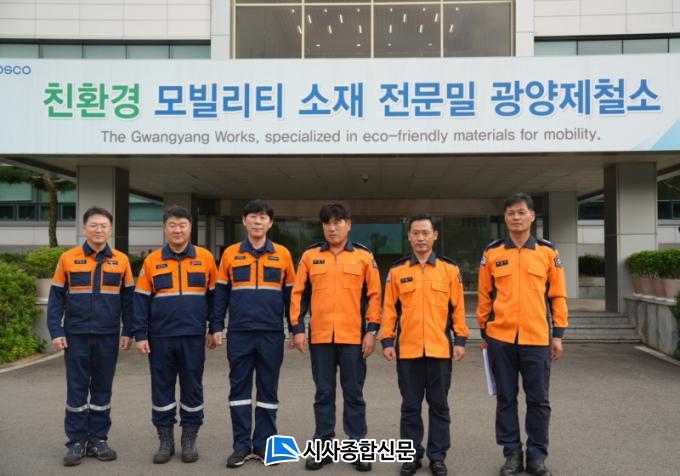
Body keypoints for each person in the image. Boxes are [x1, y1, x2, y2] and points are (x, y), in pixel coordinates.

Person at [477, 193, 568, 476]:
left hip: (537, 338)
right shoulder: (492, 253)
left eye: (521, 212)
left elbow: (558, 295)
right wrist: (484, 331)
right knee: (506, 398)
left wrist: (557, 334)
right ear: (505, 218)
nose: (516, 217)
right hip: (501, 339)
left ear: (532, 216)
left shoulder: (547, 252)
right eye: (510, 213)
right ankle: (512, 455)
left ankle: (537, 456)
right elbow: (484, 296)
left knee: (538, 400)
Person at [290, 201, 382, 472]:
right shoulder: (310, 257)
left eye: (338, 222)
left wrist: (372, 331)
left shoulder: (364, 257)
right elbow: (298, 294)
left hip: (354, 338)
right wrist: (297, 328)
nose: (332, 228)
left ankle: (358, 448)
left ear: (348, 225)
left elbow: (375, 296)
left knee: (354, 394)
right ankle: (323, 448)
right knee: (323, 393)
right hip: (320, 339)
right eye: (327, 223)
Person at [381, 213, 469, 476]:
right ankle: (411, 456)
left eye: (425, 233)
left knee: (439, 406)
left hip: (439, 350)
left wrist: (460, 340)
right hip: (408, 351)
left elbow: (458, 309)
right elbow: (389, 310)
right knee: (410, 406)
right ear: (409, 237)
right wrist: (387, 341)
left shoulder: (449, 270)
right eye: (416, 233)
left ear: (435, 235)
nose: (421, 238)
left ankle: (437, 457)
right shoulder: (397, 271)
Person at [47, 206, 135, 466]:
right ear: (84, 228)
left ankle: (98, 439)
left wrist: (128, 331)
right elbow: (56, 299)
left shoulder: (121, 260)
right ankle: (76, 442)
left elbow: (129, 302)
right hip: (76, 336)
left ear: (110, 229)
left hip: (108, 336)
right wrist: (56, 330)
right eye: (94, 225)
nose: (99, 230)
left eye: (104, 225)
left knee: (102, 389)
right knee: (76, 389)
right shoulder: (68, 258)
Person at [132, 205, 220, 464]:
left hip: (193, 335)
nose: (178, 230)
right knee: (162, 388)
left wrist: (214, 328)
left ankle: (189, 439)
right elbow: (140, 300)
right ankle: (165, 440)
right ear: (165, 229)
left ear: (190, 228)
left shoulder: (205, 258)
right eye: (172, 225)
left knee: (193, 387)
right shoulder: (152, 261)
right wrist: (140, 334)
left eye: (182, 225)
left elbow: (215, 298)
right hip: (160, 337)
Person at [214, 199, 296, 468]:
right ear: (244, 221)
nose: (257, 221)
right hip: (240, 333)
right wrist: (216, 326)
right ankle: (240, 446)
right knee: (238, 390)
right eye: (253, 216)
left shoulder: (282, 254)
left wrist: (296, 328)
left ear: (270, 223)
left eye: (262, 217)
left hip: (271, 333)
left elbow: (291, 296)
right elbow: (220, 294)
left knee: (268, 391)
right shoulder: (230, 254)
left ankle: (264, 445)